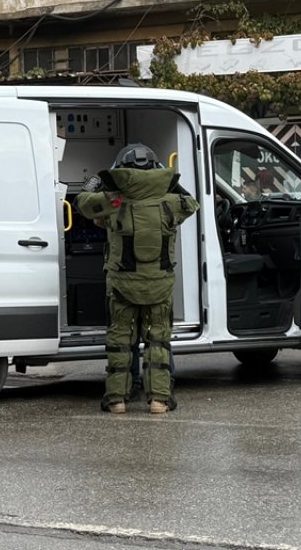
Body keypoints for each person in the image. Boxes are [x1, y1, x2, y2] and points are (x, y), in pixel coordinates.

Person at [75, 144, 199, 414]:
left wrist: (96, 183)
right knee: (158, 342)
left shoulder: (114, 200)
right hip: (159, 284)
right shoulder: (171, 203)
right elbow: (191, 203)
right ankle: (159, 400)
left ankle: (117, 400)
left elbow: (83, 204)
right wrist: (168, 180)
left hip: (121, 285)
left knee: (120, 341)